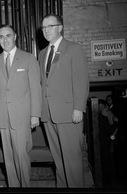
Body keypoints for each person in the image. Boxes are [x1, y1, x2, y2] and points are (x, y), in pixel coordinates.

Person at [0, 24, 42, 187]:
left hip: (22, 116)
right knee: (8, 158)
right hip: (2, 116)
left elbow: (35, 89)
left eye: (8, 36)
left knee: (21, 155)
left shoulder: (28, 58)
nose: (4, 40)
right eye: (1, 37)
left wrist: (35, 115)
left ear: (15, 36)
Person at [38, 13, 89, 188]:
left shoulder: (74, 49)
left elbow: (81, 80)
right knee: (58, 160)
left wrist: (78, 108)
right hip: (49, 115)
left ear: (60, 27)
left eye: (50, 26)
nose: (46, 30)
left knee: (72, 162)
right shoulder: (42, 53)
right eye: (43, 27)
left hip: (68, 114)